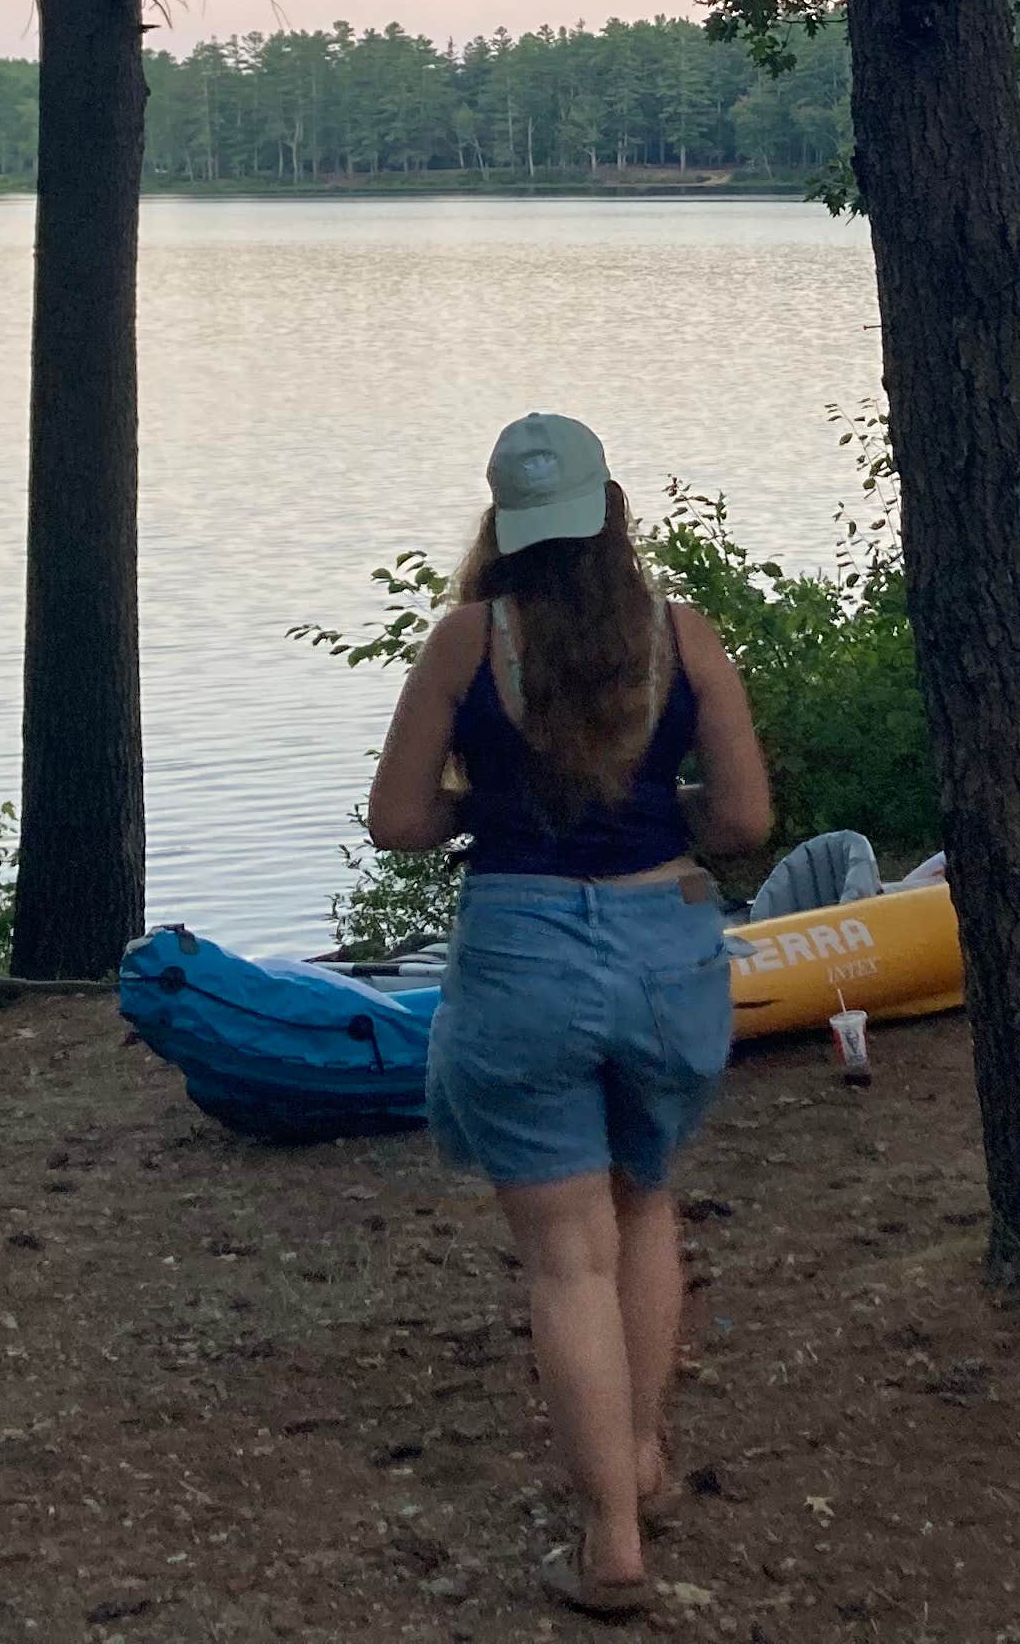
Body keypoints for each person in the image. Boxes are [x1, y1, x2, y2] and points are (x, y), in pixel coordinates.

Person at [365, 412, 773, 1623]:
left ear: (506, 526)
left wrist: (478, 810)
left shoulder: (462, 644)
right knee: (646, 1202)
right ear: (611, 515)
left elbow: (396, 821)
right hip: (665, 950)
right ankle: (640, 1464)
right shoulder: (685, 640)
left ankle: (608, 1540)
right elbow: (747, 822)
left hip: (521, 957)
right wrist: (670, 813)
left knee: (565, 1257)